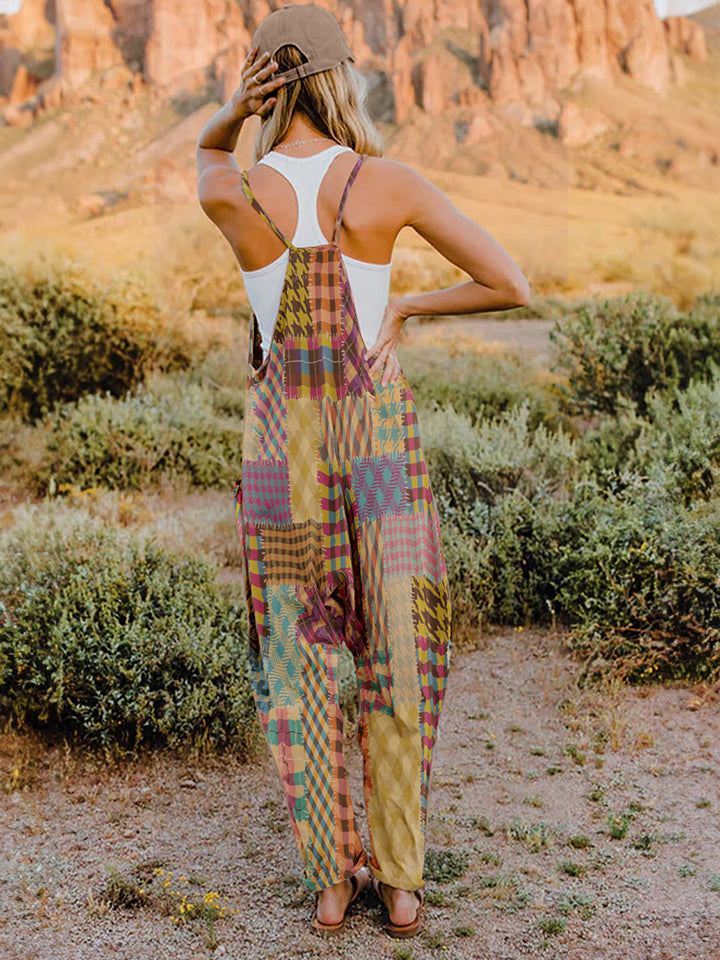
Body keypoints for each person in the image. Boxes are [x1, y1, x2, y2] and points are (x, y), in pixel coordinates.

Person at [195, 2, 530, 940]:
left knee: (295, 662)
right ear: (342, 78)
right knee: (398, 655)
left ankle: (331, 883)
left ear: (266, 85)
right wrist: (408, 306)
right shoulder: (386, 183)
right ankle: (402, 882)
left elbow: (204, 162)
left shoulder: (236, 190)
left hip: (282, 456)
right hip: (378, 445)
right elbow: (513, 282)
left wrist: (231, 113)